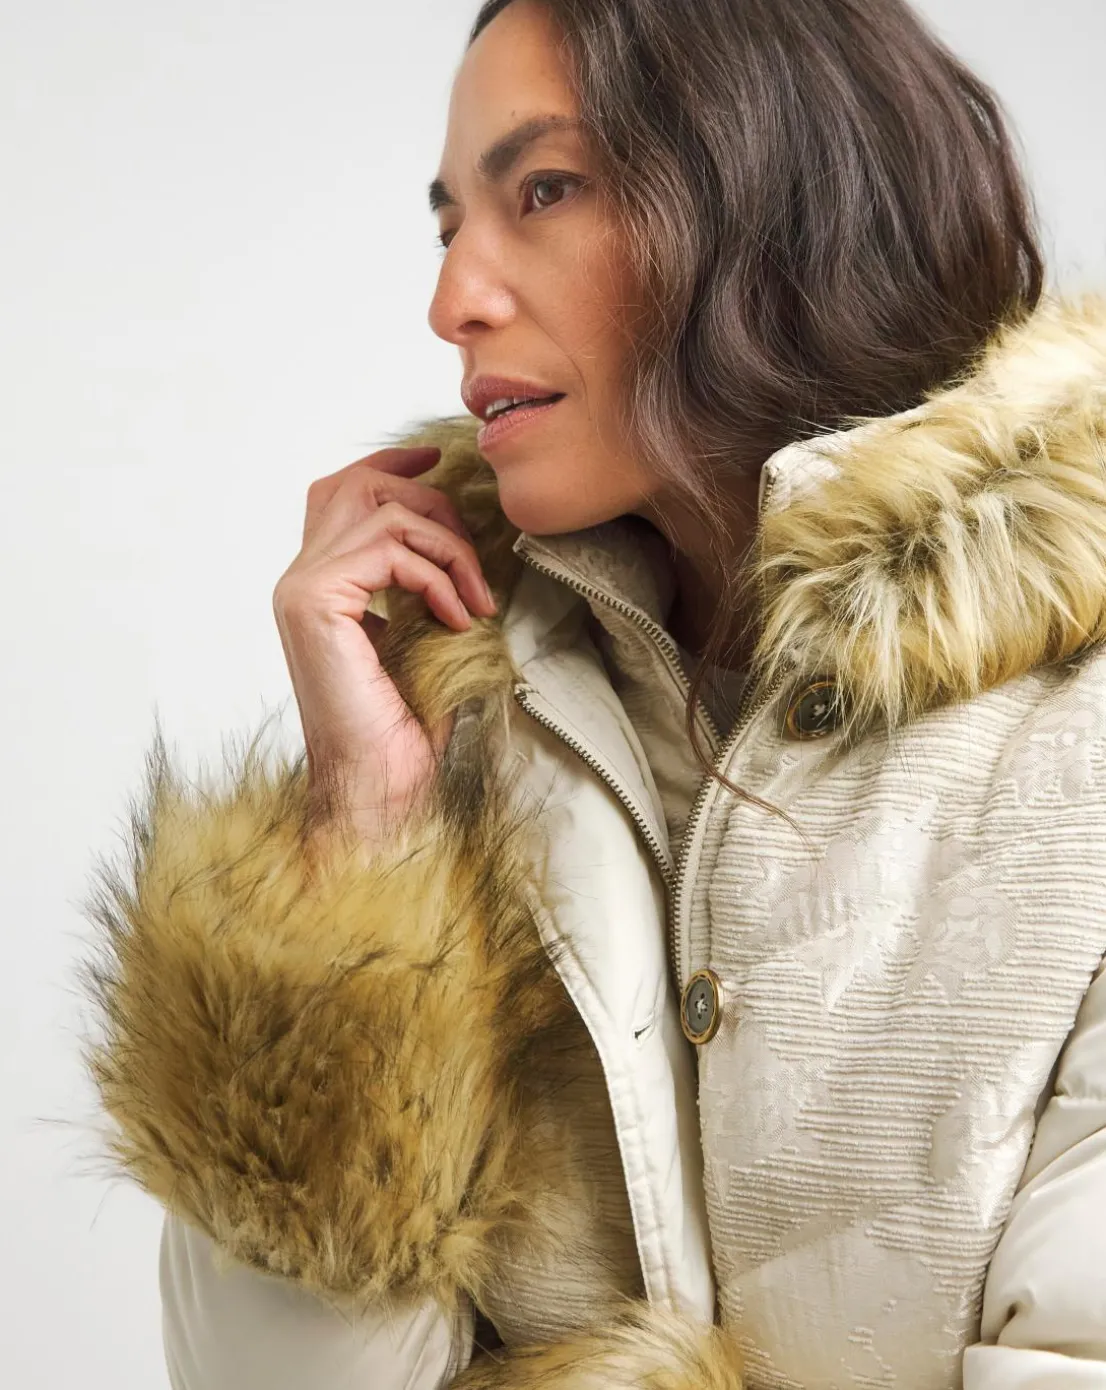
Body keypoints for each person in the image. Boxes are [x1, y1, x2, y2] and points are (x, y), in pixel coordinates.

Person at [77, 0, 1106, 1386]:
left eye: (546, 190)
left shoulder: (1079, 725)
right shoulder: (464, 731)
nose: (452, 300)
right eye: (450, 224)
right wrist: (359, 838)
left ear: (779, 194)